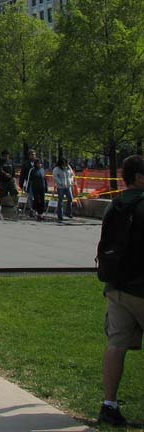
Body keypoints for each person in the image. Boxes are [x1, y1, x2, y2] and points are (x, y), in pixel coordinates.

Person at [98, 155, 144, 427]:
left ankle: (109, 404)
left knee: (116, 346)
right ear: (139, 177)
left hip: (116, 287)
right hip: (141, 286)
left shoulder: (114, 206)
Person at [26, 156, 48, 221]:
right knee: (37, 201)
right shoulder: (32, 170)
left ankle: (41, 214)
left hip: (42, 188)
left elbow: (44, 179)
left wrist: (46, 187)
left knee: (43, 201)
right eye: (38, 163)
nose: (39, 164)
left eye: (40, 163)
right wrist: (27, 189)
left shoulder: (42, 170)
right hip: (35, 188)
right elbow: (29, 180)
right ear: (35, 164)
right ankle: (37, 213)